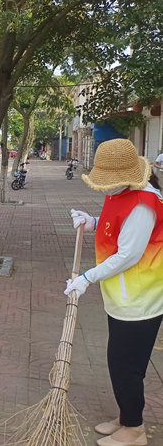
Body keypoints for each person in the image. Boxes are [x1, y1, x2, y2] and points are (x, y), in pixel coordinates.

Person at [65, 139, 163, 446]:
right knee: (120, 363)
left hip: (139, 300)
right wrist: (92, 222)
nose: (104, 187)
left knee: (126, 368)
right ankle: (126, 417)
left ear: (126, 177)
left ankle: (134, 430)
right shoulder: (121, 193)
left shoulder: (144, 204)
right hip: (121, 298)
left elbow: (127, 255)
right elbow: (115, 227)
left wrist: (86, 278)